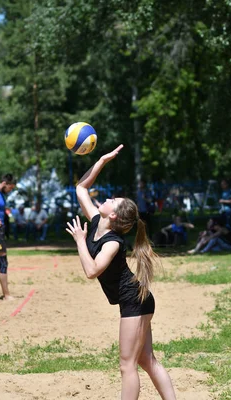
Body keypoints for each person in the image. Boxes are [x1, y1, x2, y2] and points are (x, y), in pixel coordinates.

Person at [65, 145, 176, 400]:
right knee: (146, 360)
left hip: (134, 301)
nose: (107, 198)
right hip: (137, 298)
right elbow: (81, 188)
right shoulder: (95, 221)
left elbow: (92, 271)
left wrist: (81, 241)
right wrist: (102, 160)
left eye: (112, 200)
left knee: (128, 365)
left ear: (113, 214)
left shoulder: (113, 242)